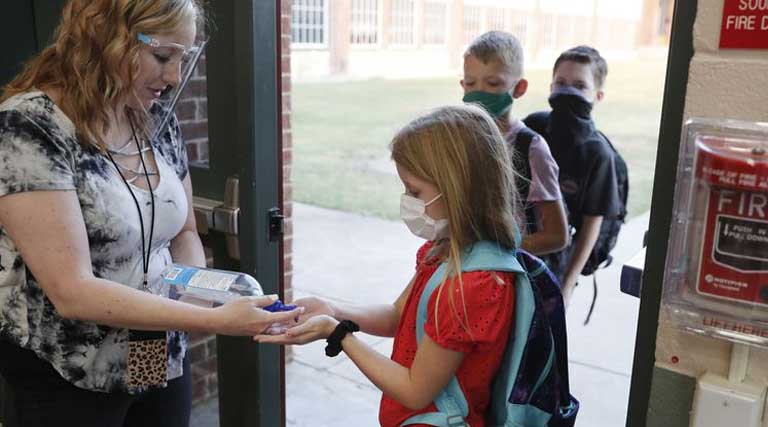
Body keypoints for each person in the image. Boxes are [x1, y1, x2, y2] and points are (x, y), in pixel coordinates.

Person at [0, 1, 301, 426]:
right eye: (163, 56)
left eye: (184, 57)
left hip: (151, 349)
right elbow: (72, 291)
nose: (175, 76)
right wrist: (208, 317)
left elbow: (184, 233)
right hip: (68, 370)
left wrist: (201, 290)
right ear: (104, 37)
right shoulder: (29, 128)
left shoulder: (155, 117)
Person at [259, 104, 520, 427]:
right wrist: (335, 311)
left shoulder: (474, 285)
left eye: (414, 190)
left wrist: (337, 333)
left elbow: (414, 391)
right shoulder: (443, 252)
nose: (407, 200)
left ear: (458, 189)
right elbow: (399, 317)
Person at [523, 46, 621, 306]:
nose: (568, 91)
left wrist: (566, 285)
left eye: (579, 86)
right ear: (551, 87)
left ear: (597, 96)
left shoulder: (598, 154)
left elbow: (591, 227)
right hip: (518, 247)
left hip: (555, 262)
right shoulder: (533, 127)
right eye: (561, 83)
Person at [461, 31, 568, 258]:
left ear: (519, 88)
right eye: (471, 83)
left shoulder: (531, 149)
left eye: (492, 83)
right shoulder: (461, 139)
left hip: (511, 272)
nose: (479, 92)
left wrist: (496, 249)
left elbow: (557, 236)